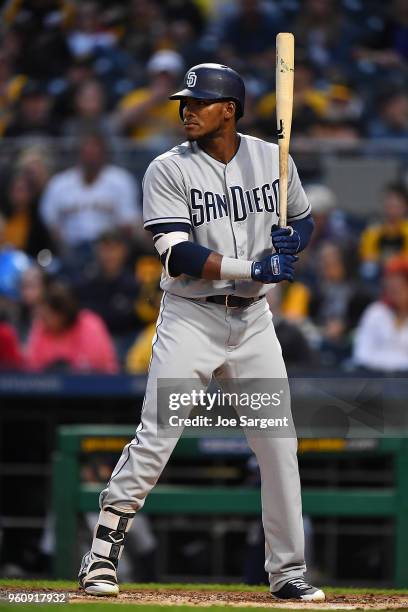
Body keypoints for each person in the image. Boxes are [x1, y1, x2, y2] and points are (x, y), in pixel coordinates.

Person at [78, 63, 324, 602]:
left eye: (198, 102)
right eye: (183, 102)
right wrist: (254, 268)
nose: (186, 110)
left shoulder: (272, 158)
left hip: (255, 323)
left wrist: (291, 243)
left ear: (229, 110)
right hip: (192, 318)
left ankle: (287, 571)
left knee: (279, 445)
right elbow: (179, 254)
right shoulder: (166, 169)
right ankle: (99, 555)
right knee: (157, 439)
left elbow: (303, 217)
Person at [39, 131, 141, 266]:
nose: (91, 156)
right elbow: (50, 222)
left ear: (104, 153)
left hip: (109, 250)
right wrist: (64, 249)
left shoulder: (121, 180)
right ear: (79, 153)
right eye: (86, 151)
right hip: (71, 250)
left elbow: (128, 223)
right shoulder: (59, 183)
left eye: (95, 151)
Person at [25, 282, 118, 373]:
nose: (42, 320)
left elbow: (102, 367)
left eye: (46, 316)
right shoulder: (40, 326)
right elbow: (32, 367)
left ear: (62, 315)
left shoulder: (91, 325)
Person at [353, 255, 408, 373]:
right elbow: (362, 355)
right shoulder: (375, 313)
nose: (395, 293)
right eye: (391, 288)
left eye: (400, 287)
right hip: (377, 382)